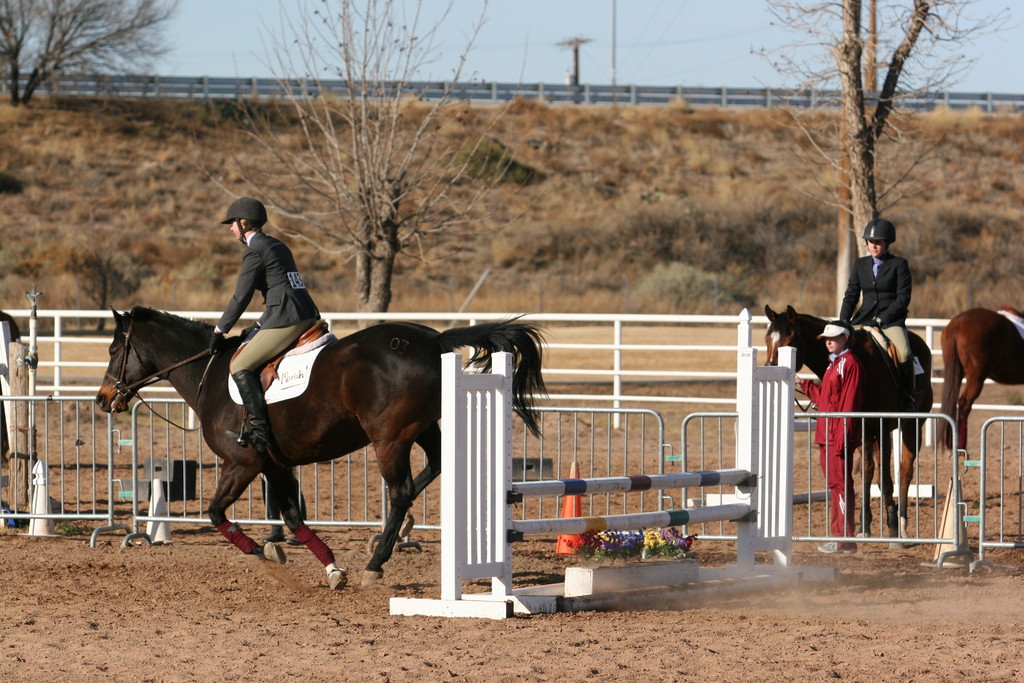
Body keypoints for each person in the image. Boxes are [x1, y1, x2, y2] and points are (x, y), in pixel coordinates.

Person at [210, 197, 320, 451]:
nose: (231, 229)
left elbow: (241, 297)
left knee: (239, 364)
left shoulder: (254, 250)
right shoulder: (277, 245)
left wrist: (219, 330)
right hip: (303, 313)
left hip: (288, 319)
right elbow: (281, 290)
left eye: (233, 224)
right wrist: (260, 324)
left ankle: (260, 432)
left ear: (244, 223)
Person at [800, 321, 864, 555]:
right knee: (835, 486)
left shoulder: (850, 364)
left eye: (833, 337)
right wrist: (805, 384)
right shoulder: (832, 364)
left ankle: (843, 539)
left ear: (846, 338)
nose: (828, 341)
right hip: (826, 435)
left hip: (836, 436)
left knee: (841, 487)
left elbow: (849, 404)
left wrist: (842, 438)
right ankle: (840, 538)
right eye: (826, 338)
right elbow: (827, 400)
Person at [839, 217, 915, 410]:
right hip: (863, 319)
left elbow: (903, 298)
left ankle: (908, 396)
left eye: (878, 242)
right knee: (838, 347)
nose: (874, 245)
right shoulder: (860, 265)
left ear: (887, 243)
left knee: (904, 353)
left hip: (890, 321)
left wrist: (881, 319)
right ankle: (834, 393)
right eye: (871, 242)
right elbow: (851, 295)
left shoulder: (899, 264)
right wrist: (843, 321)